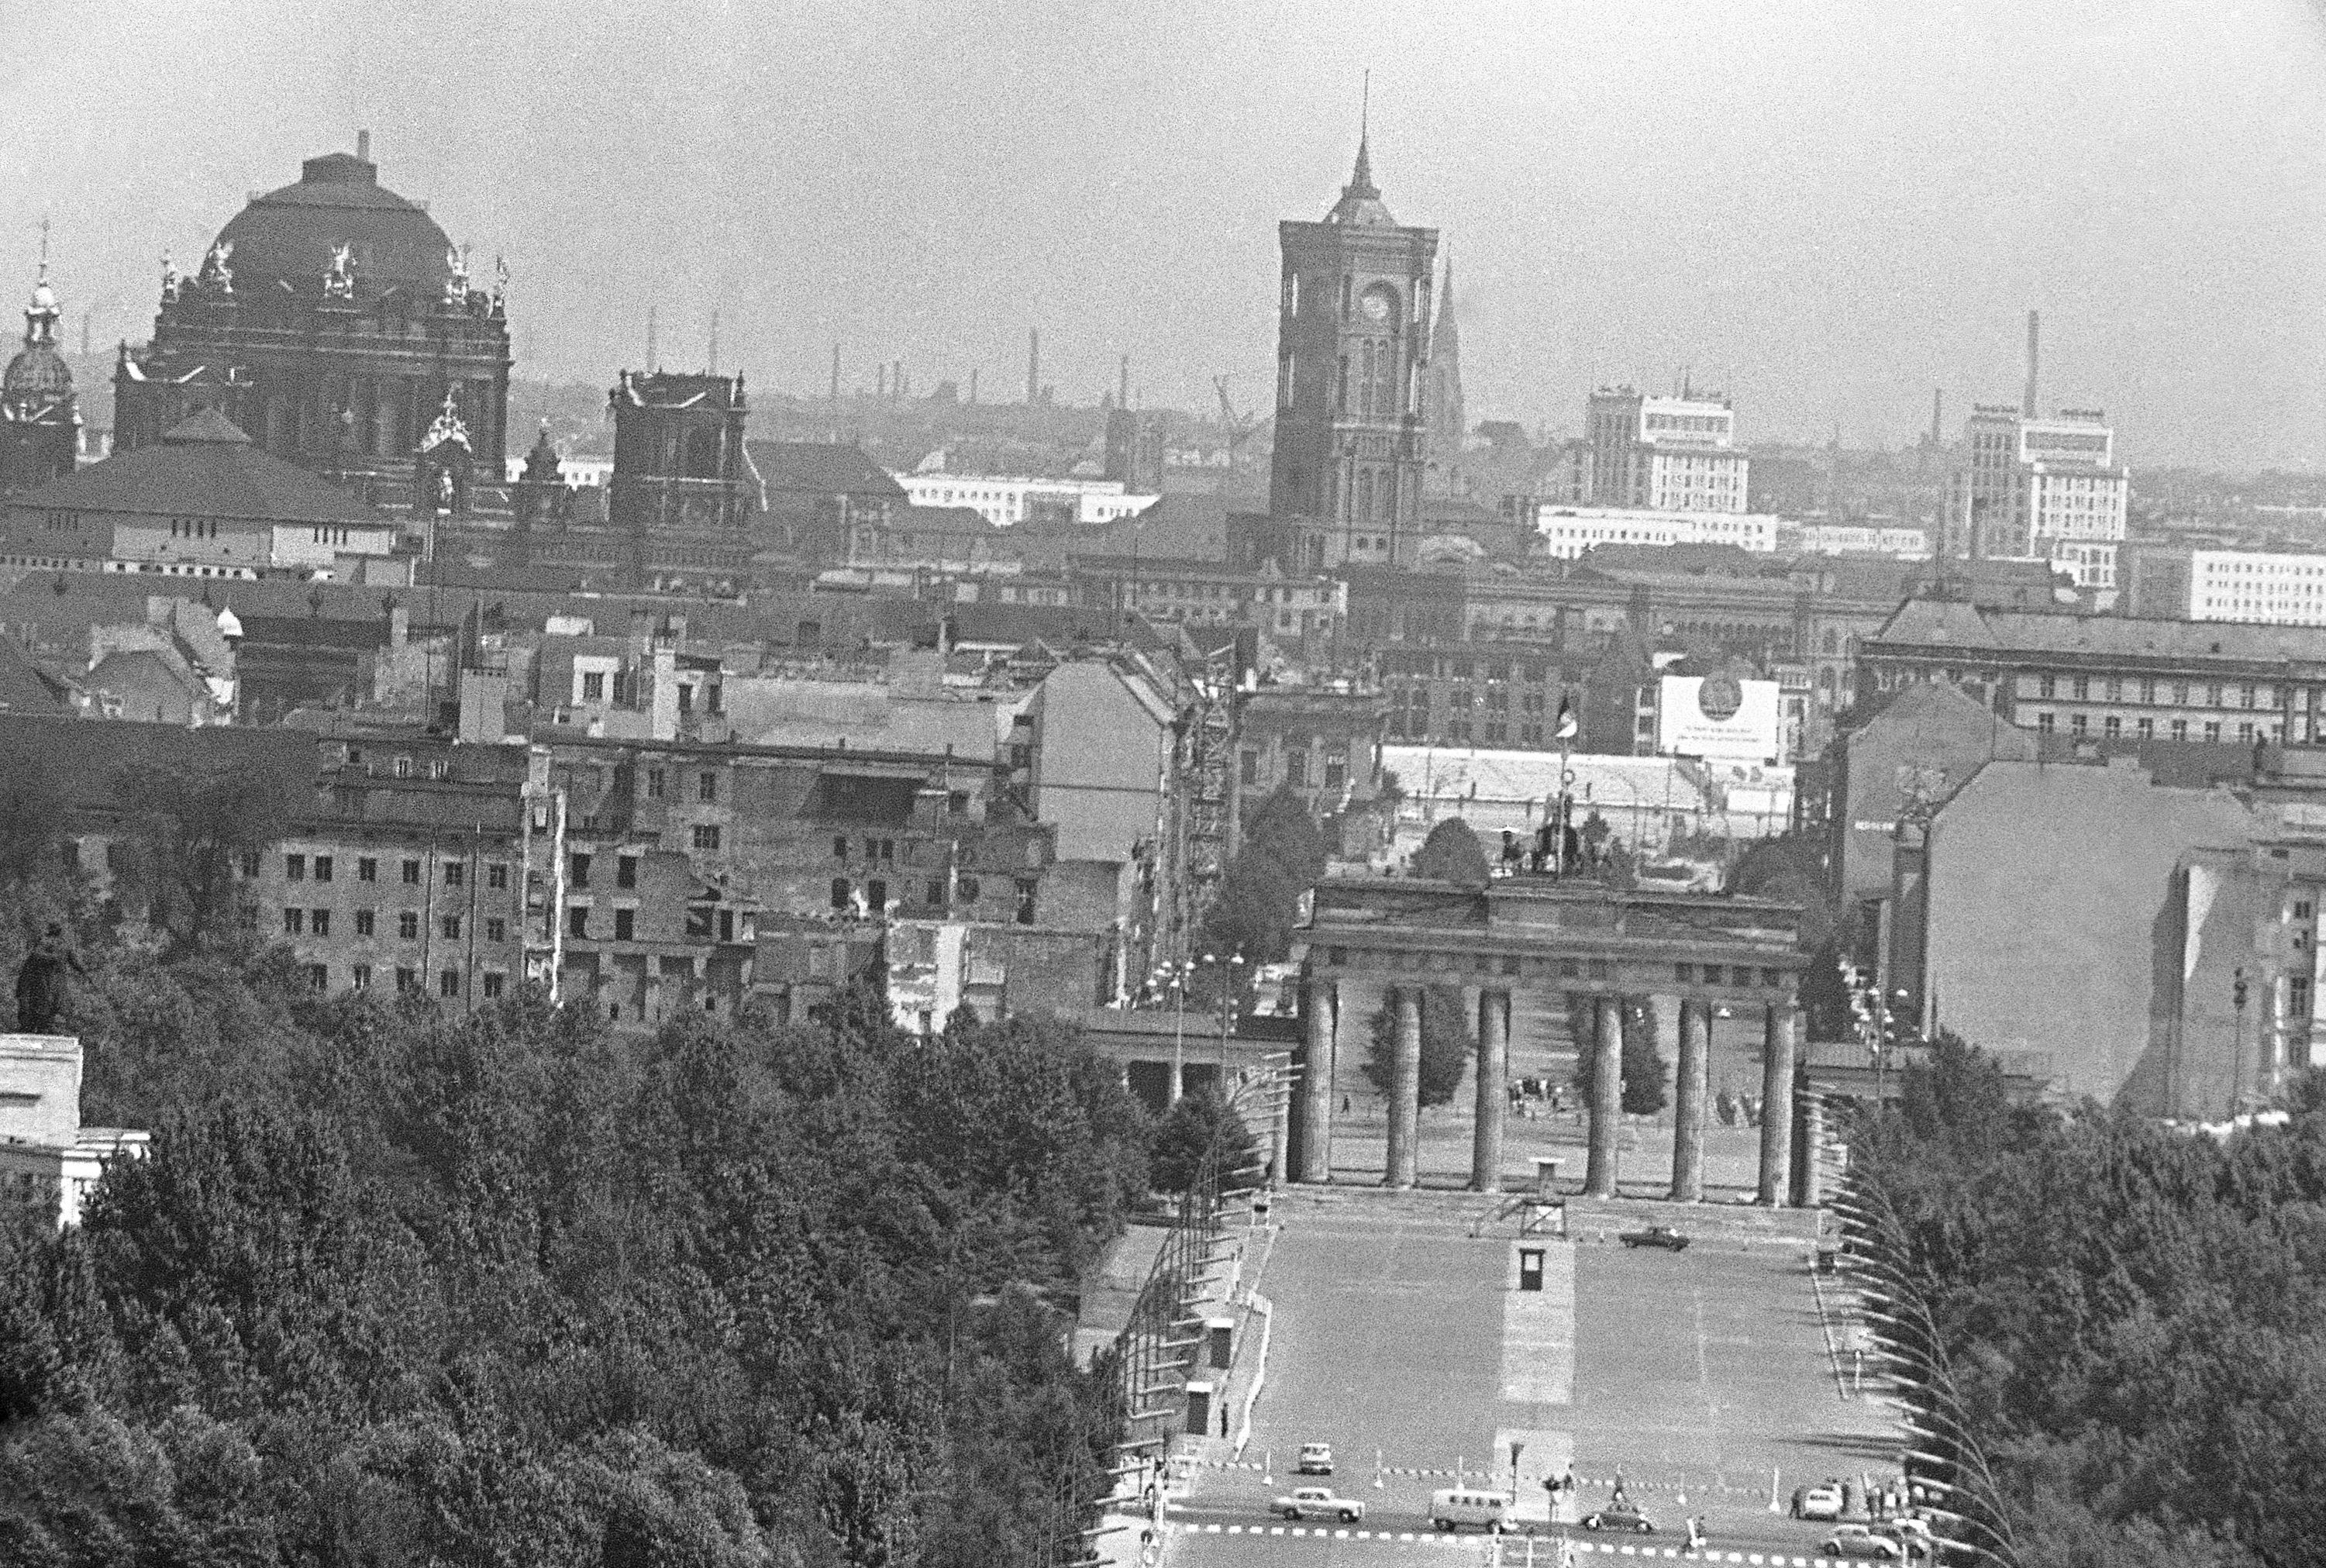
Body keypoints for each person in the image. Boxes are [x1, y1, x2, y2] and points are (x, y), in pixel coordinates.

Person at [15, 924, 86, 1035]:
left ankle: (48, 1025)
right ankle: (38, 1025)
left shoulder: (64, 944)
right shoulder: (45, 941)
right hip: (45, 978)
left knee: (57, 1002)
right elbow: (36, 954)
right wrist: (53, 958)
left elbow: (74, 961)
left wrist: (84, 972)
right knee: (44, 1001)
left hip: (57, 979)